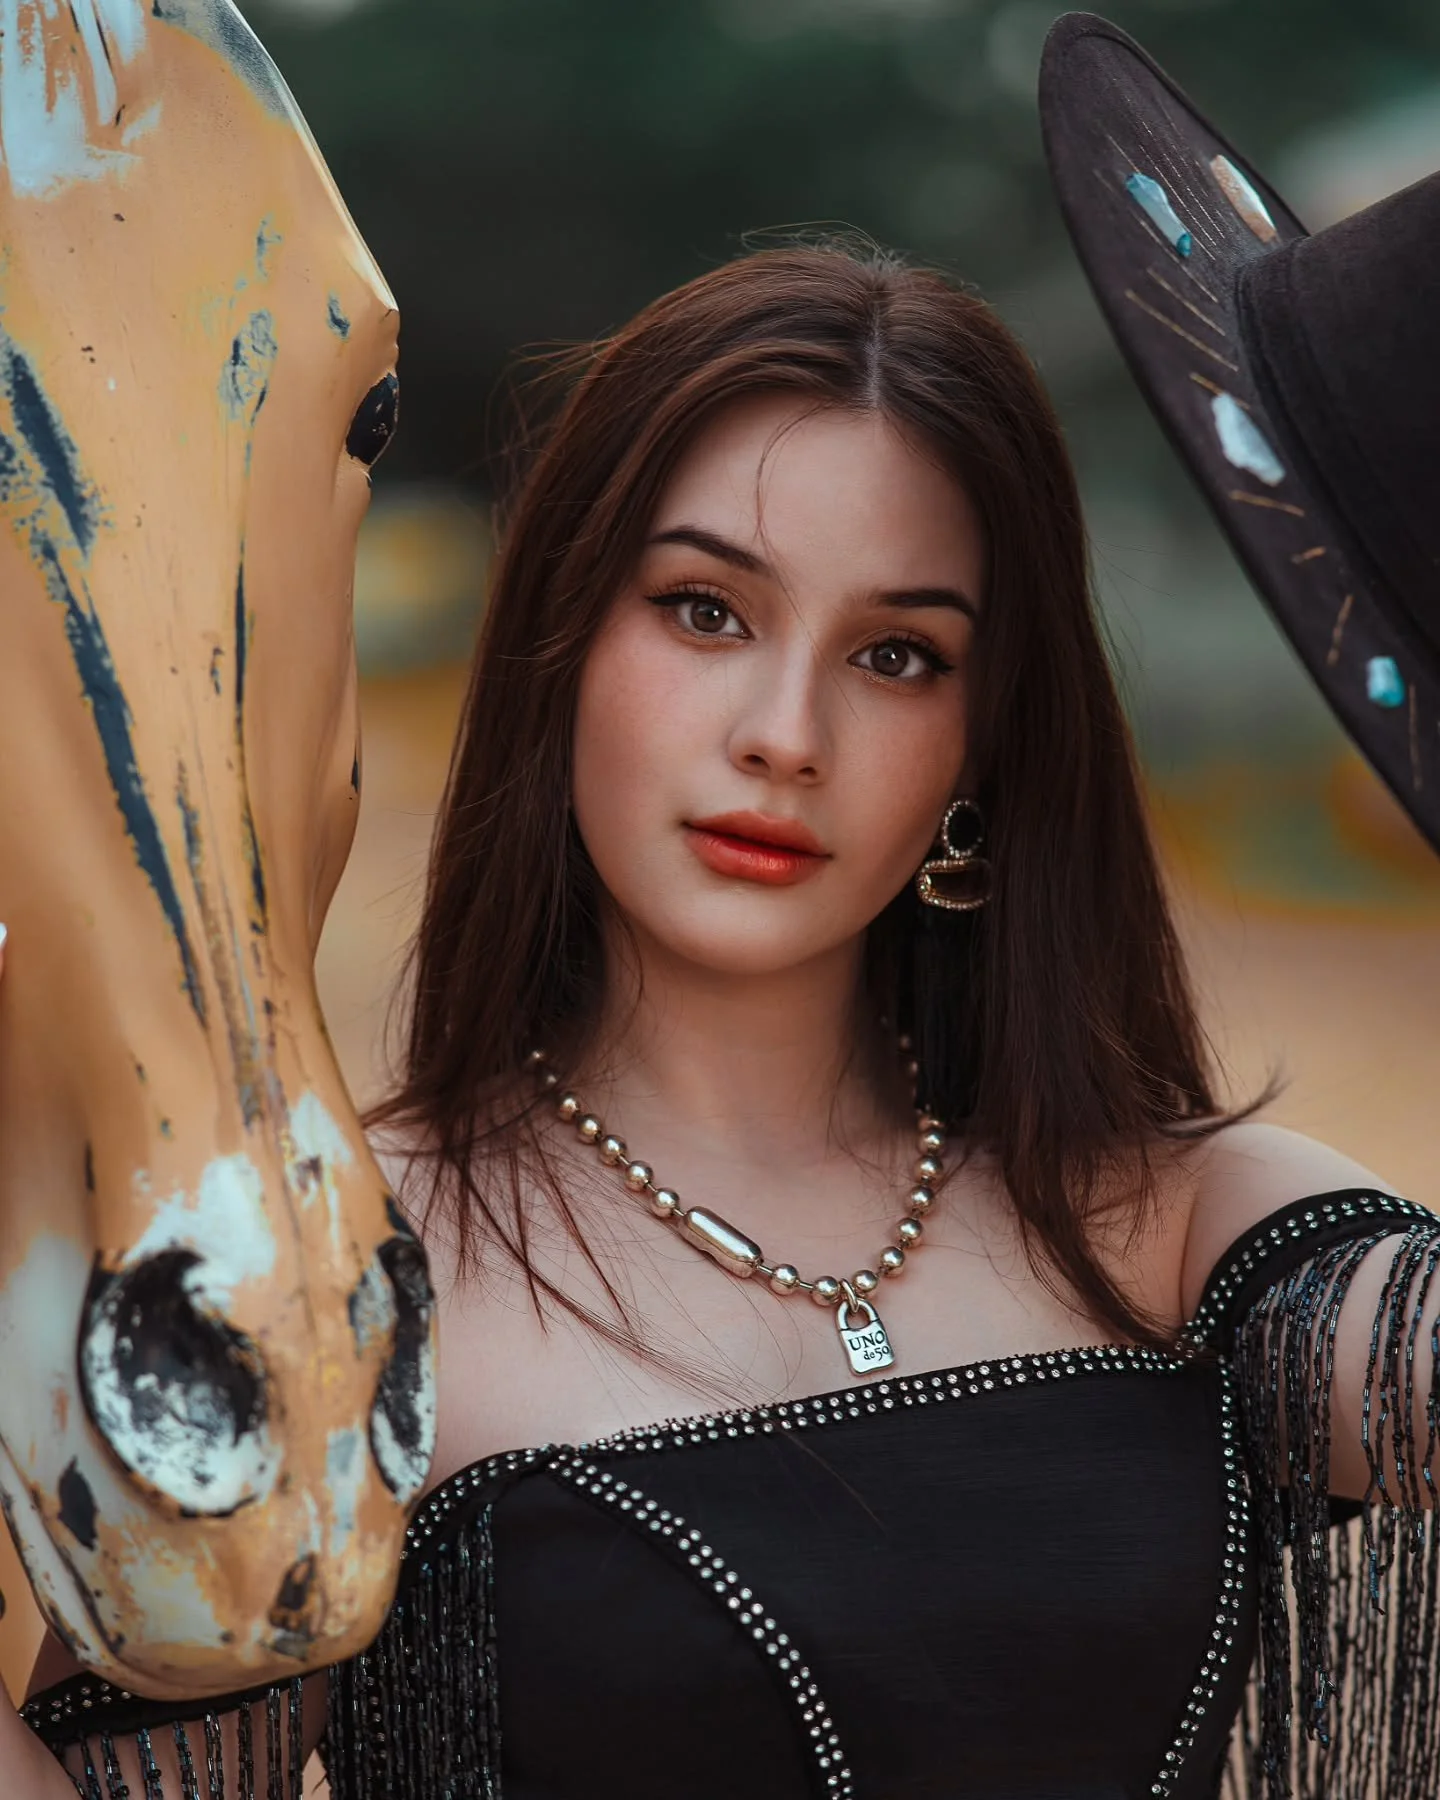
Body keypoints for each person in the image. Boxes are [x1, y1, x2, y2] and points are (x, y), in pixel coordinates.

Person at [3, 230, 1438, 1797]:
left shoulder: (1184, 1218)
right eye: (705, 611)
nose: (785, 735)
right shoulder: (328, 1286)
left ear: (985, 750)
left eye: (898, 656)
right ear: (562, 644)